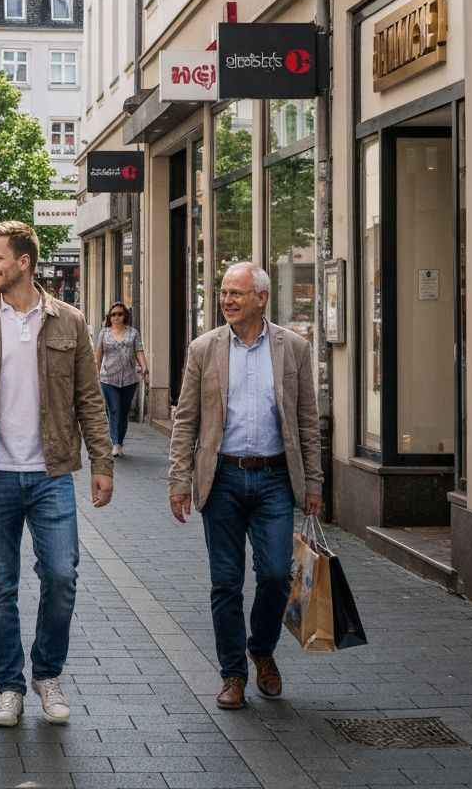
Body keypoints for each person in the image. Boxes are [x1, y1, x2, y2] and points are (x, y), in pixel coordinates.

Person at [0, 220, 114, 727]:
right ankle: (9, 687)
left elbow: (89, 398)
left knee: (61, 575)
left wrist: (102, 462)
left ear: (24, 262)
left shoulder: (69, 321)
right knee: (0, 587)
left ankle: (47, 672)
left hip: (51, 473)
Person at [167, 262, 323, 711]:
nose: (227, 300)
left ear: (261, 298)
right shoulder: (204, 349)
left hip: (275, 478)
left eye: (236, 293)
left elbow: (307, 420)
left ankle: (262, 649)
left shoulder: (293, 348)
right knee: (226, 582)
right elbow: (185, 420)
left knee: (275, 574)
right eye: (223, 292)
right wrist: (179, 480)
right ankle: (233, 673)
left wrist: (314, 481)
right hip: (222, 478)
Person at [93, 301, 150, 458]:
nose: (116, 317)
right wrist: (97, 375)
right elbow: (98, 355)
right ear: (109, 317)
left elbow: (139, 351)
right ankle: (115, 444)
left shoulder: (133, 333)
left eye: (120, 314)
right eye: (113, 314)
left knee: (123, 412)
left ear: (125, 316)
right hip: (108, 378)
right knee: (114, 410)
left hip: (129, 379)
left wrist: (145, 369)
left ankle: (120, 441)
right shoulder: (104, 333)